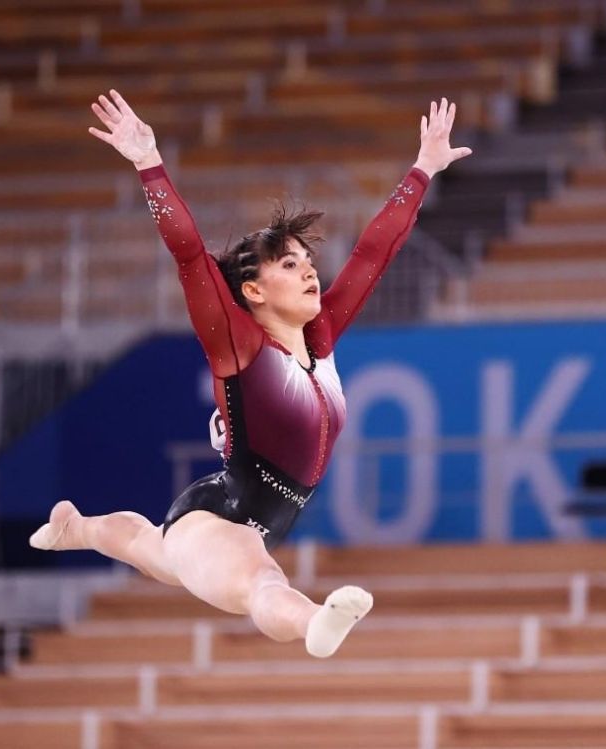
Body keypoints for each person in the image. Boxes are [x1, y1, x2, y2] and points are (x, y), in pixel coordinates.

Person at [30, 91, 472, 657]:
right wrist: (149, 164)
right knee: (260, 582)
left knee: (148, 544)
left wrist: (422, 170)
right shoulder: (239, 346)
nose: (311, 271)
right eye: (290, 265)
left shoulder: (320, 339)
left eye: (309, 262)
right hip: (217, 520)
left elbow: (371, 256)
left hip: (238, 519)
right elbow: (190, 256)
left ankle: (79, 529)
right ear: (254, 291)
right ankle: (316, 621)